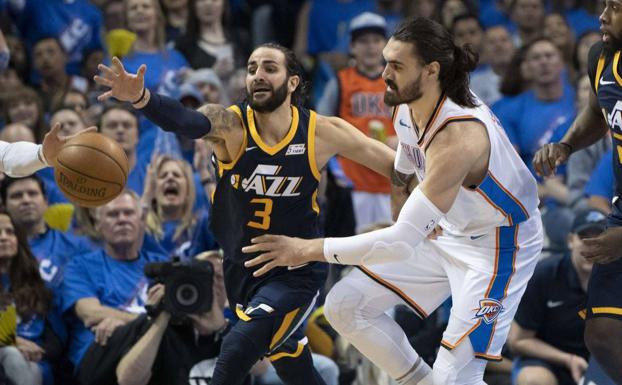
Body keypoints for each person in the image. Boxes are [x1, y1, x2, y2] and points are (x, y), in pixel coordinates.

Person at [242, 17, 543, 385]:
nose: (384, 73)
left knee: (457, 377)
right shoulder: (406, 103)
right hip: (449, 231)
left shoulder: (460, 135)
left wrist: (306, 250)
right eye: (386, 61)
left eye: (396, 65)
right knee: (344, 307)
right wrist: (409, 220)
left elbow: (400, 238)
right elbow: (402, 172)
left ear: (431, 71)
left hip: (498, 245)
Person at [94, 41, 395, 384]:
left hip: (295, 271)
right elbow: (185, 121)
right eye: (252, 69)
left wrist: (427, 210)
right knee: (293, 365)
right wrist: (142, 98)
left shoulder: (321, 132)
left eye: (269, 68)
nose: (258, 76)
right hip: (242, 271)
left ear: (292, 81)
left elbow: (396, 169)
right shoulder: (230, 125)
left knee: (235, 352)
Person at [533, 2, 622, 383]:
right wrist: (566, 145)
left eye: (615, 8)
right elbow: (597, 111)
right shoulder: (602, 57)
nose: (602, 16)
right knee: (602, 331)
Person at [61, 190, 168, 379]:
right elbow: (91, 314)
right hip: (99, 352)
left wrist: (123, 323)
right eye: (112, 214)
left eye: (128, 213)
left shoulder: (162, 265)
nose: (122, 219)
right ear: (98, 224)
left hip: (154, 351)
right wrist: (150, 322)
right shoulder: (79, 266)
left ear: (141, 221)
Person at [316, 12, 396, 233]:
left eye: (376, 41)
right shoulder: (340, 82)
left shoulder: (398, 83)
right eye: (363, 41)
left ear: (386, 46)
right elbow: (321, 128)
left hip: (392, 180)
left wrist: (401, 141)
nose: (370, 47)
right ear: (352, 46)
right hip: (352, 182)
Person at [508, 209, 605, 385]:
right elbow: (518, 340)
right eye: (584, 238)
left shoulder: (616, 279)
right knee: (534, 380)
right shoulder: (544, 275)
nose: (591, 246)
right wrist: (568, 359)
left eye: (598, 239)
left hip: (602, 363)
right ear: (570, 241)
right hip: (549, 361)